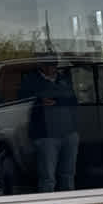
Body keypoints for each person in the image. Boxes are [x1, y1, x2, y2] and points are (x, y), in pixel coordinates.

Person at [18, 56, 78, 192]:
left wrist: (58, 101)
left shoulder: (63, 79)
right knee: (47, 177)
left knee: (68, 175)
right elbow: (21, 103)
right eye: (48, 64)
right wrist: (39, 102)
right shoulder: (30, 81)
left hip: (69, 132)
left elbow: (73, 101)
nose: (52, 67)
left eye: (54, 64)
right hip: (46, 135)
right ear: (40, 64)